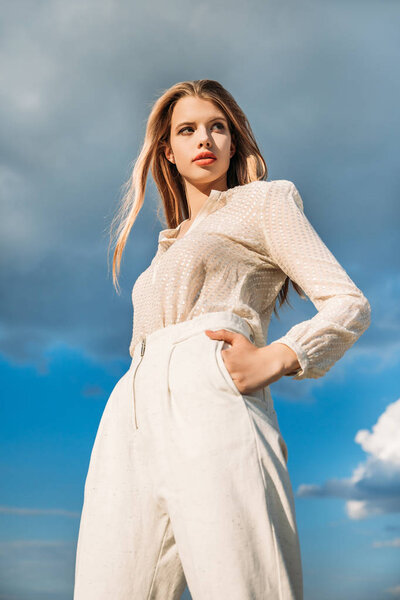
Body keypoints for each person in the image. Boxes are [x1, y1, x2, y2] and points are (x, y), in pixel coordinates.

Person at [73, 79, 371, 600]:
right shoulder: (168, 245)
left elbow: (349, 303)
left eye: (217, 127)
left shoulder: (264, 203)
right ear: (168, 151)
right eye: (187, 130)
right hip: (129, 414)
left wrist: (283, 355)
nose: (203, 139)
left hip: (210, 395)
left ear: (234, 142)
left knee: (241, 583)